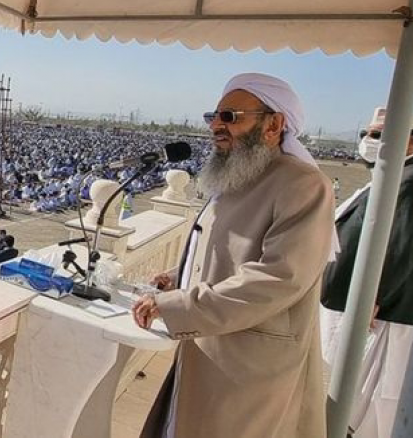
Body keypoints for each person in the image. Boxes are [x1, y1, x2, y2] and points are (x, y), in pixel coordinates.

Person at [132, 73, 334, 438]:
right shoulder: (239, 173)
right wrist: (179, 277)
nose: (216, 126)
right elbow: (226, 249)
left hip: (249, 362)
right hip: (209, 343)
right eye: (214, 116)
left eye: (231, 116)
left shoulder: (302, 185)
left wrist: (179, 304)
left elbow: (278, 278)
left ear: (274, 124)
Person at [320, 108, 413, 438]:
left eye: (376, 135)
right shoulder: (393, 174)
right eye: (366, 134)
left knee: (370, 403)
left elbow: (405, 244)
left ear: (408, 140)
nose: (366, 141)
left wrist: (374, 296)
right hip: (355, 303)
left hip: (382, 314)